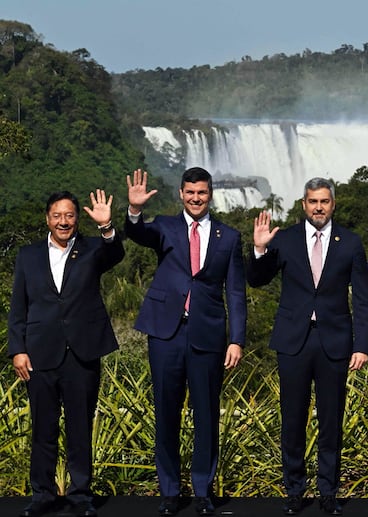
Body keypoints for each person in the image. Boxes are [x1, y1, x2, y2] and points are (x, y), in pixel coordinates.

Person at [247, 177, 368, 516]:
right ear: (303, 204)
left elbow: (362, 298)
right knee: (292, 419)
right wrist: (259, 250)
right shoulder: (283, 239)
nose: (319, 207)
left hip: (335, 341)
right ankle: (294, 490)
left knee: (332, 419)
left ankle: (328, 491)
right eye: (313, 201)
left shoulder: (350, 242)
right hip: (293, 341)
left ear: (333, 204)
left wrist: (362, 345)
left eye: (325, 201)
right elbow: (257, 280)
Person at [125, 168, 246, 517]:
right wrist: (134, 211)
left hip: (208, 335)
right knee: (166, 412)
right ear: (181, 193)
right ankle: (169, 491)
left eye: (202, 193)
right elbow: (137, 232)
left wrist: (236, 339)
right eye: (190, 192)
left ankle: (203, 491)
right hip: (166, 332)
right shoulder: (164, 226)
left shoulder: (230, 236)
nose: (196, 198)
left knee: (206, 414)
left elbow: (236, 293)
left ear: (211, 194)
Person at [8, 190, 124, 517]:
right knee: (43, 429)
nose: (63, 221)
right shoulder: (28, 256)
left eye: (70, 215)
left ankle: (80, 495)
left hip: (82, 353)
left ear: (77, 219)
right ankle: (42, 494)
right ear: (47, 219)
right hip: (39, 352)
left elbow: (115, 254)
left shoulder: (92, 250)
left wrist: (106, 227)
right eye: (57, 215)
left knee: (79, 429)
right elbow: (19, 308)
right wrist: (18, 349)